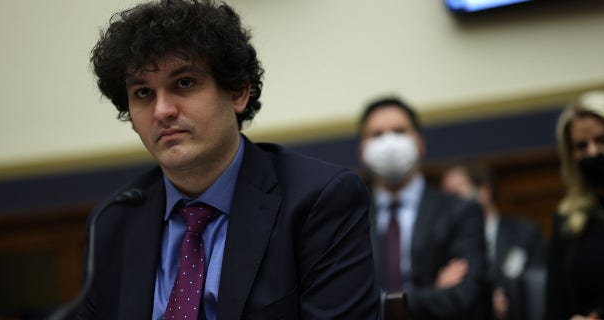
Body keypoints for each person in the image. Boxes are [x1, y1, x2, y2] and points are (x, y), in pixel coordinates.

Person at [78, 0, 379, 319]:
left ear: (237, 93)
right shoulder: (114, 221)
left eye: (184, 83)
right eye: (142, 93)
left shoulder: (318, 200)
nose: (162, 110)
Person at [358, 97, 487, 320]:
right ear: (363, 151)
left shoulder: (461, 212)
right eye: (377, 135)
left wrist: (376, 303)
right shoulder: (348, 217)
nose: (389, 143)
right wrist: (433, 292)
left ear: (420, 143)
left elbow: (463, 297)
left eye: (399, 131)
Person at [547, 90, 604, 320]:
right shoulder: (569, 218)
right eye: (582, 146)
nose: (593, 152)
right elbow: (555, 307)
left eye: (603, 140)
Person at [441, 164, 546, 320]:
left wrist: (509, 300)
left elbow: (538, 288)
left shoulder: (525, 234)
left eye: (456, 194)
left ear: (484, 191)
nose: (450, 205)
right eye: (446, 198)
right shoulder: (444, 245)